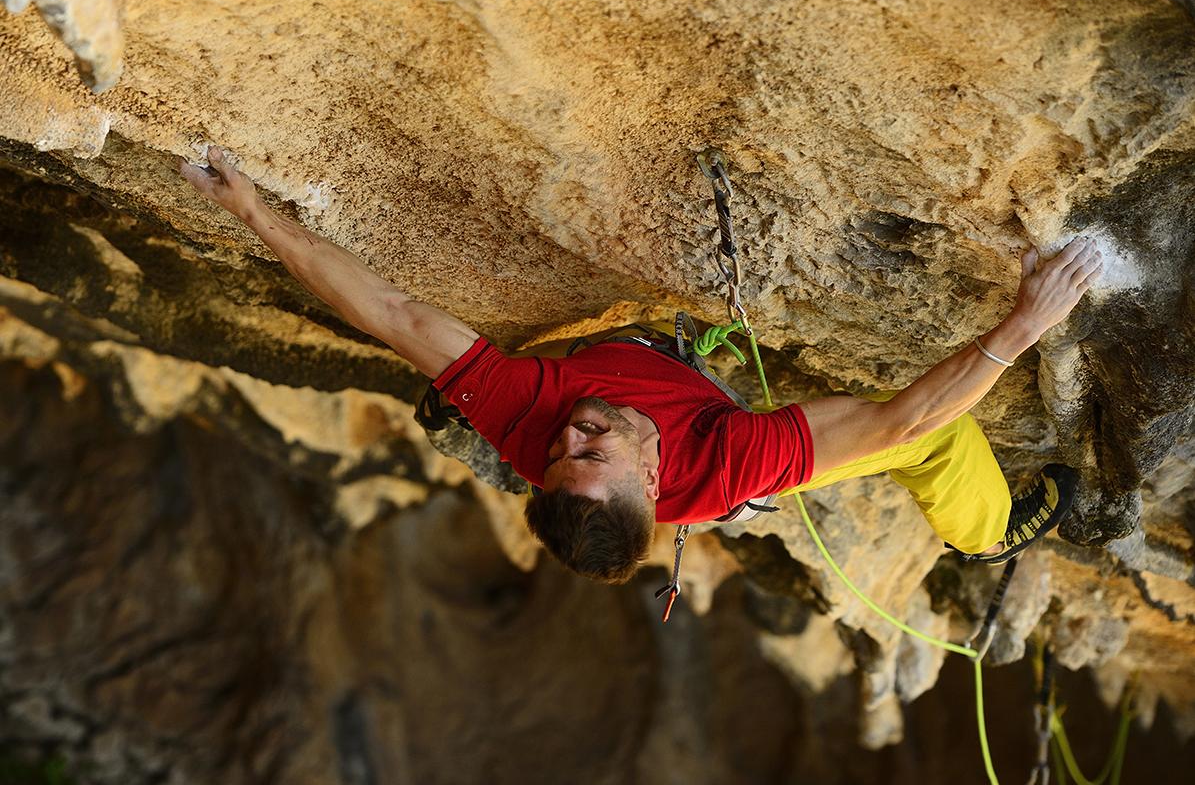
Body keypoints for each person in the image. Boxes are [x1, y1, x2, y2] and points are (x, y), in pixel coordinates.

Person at [181, 148, 1103, 583]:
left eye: (560, 453)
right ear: (653, 478)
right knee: (936, 447)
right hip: (738, 455)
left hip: (635, 395)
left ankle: (463, 427)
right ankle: (989, 537)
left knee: (474, 405)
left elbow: (389, 313)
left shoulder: (527, 417)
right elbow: (902, 420)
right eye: (592, 450)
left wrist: (256, 214)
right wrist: (1026, 319)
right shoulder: (722, 466)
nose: (574, 429)